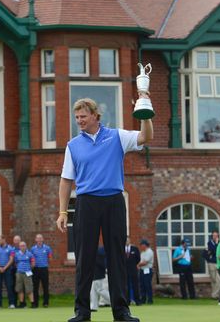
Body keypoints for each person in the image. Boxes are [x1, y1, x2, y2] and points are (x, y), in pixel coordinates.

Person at [56, 96, 153, 322]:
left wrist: (145, 115)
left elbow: (146, 136)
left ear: (95, 115)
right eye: (77, 117)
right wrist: (62, 212)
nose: (79, 120)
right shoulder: (73, 145)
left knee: (117, 258)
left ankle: (121, 312)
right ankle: (82, 312)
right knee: (84, 259)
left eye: (83, 116)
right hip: (86, 203)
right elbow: (65, 180)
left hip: (113, 201)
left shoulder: (116, 136)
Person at [31, 233, 53, 308]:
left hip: (44, 269)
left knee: (45, 286)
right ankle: (35, 303)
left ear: (43, 239)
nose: (39, 240)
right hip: (36, 269)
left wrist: (47, 265)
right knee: (35, 287)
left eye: (41, 238)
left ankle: (45, 303)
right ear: (36, 240)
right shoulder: (33, 249)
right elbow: (32, 259)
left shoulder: (47, 248)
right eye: (38, 238)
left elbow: (50, 258)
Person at [0, 235, 16, 309]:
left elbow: (11, 259)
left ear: (4, 239)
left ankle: (11, 303)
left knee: (9, 286)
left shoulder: (10, 248)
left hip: (8, 269)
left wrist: (5, 267)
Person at [14, 240, 36, 308]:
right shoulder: (17, 254)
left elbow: (33, 263)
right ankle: (22, 303)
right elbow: (15, 263)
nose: (22, 247)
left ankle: (32, 303)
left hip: (27, 273)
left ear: (26, 246)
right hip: (19, 273)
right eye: (21, 246)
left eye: (24, 246)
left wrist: (29, 269)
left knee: (29, 289)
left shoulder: (30, 254)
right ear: (19, 247)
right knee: (19, 289)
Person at [91, 246, 111, 311]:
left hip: (98, 274)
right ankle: (94, 306)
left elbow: (101, 264)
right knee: (93, 291)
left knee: (99, 289)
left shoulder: (98, 252)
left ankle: (114, 301)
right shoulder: (97, 251)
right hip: (95, 273)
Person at [137, 239, 154, 305]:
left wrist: (137, 265)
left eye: (141, 245)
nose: (141, 246)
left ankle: (150, 300)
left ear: (144, 245)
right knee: (142, 285)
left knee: (147, 285)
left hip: (147, 270)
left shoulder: (149, 252)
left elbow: (145, 262)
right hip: (142, 270)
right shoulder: (143, 252)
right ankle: (143, 299)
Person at [124, 238, 141, 305]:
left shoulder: (135, 249)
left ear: (130, 241)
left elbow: (138, 259)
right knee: (126, 286)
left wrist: (133, 265)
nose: (126, 241)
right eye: (125, 240)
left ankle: (138, 301)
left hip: (133, 270)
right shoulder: (121, 248)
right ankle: (127, 301)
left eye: (127, 240)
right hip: (125, 270)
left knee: (135, 285)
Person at [206, 231, 220, 300]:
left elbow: (219, 252)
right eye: (214, 235)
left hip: (218, 263)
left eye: (216, 235)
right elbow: (213, 250)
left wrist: (217, 244)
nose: (215, 237)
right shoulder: (209, 243)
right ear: (212, 236)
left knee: (219, 280)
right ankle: (215, 295)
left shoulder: (219, 243)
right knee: (213, 280)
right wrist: (216, 244)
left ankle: (215, 295)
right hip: (211, 263)